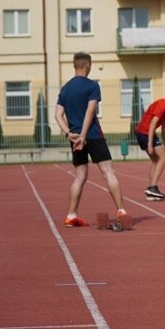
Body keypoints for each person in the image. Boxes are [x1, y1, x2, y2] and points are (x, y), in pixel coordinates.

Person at [55, 52, 125, 227]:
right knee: (108, 172)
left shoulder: (66, 88)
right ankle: (121, 211)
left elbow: (57, 115)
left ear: (74, 65)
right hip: (92, 135)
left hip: (75, 136)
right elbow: (90, 111)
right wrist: (84, 136)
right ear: (87, 65)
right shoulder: (92, 86)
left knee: (79, 176)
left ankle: (71, 215)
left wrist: (69, 134)